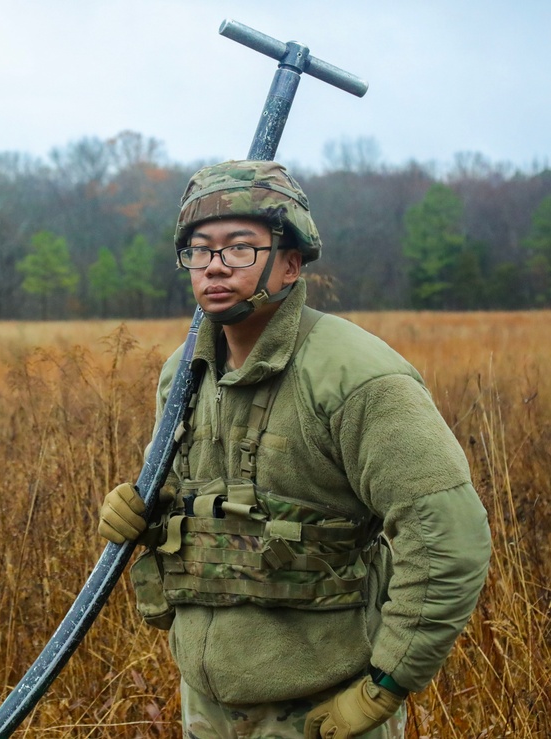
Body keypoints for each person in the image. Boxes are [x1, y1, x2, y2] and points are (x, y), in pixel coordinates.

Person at [98, 160, 491, 739]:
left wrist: (384, 687)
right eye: (199, 250)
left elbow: (449, 536)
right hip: (206, 705)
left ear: (290, 263)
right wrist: (143, 510)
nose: (213, 266)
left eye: (238, 248)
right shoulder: (183, 374)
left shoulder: (356, 376)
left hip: (324, 710)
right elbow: (200, 503)